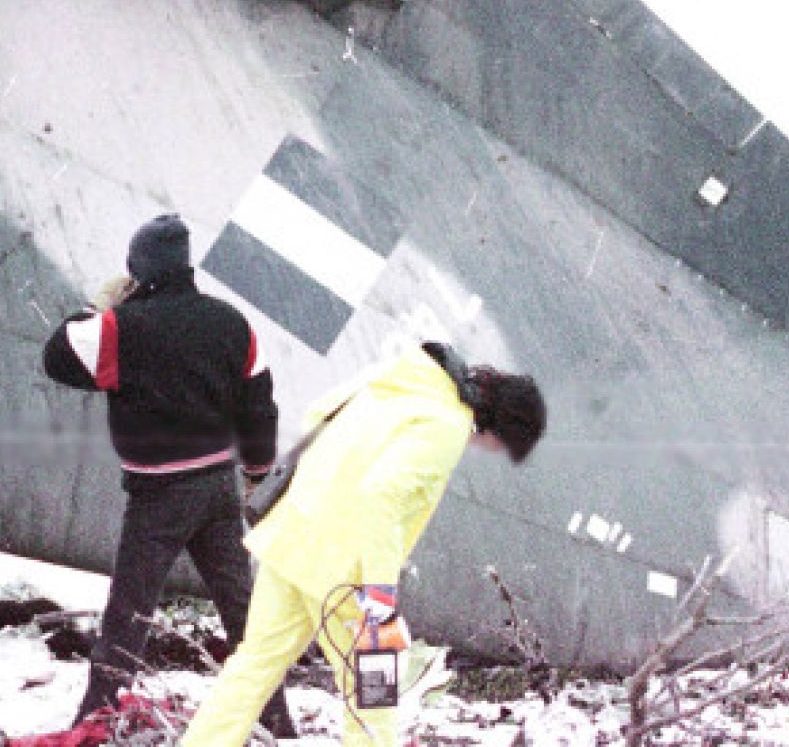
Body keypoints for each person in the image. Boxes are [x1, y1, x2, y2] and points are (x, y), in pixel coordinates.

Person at [179, 342, 547, 746]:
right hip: (344, 572)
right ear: (501, 426)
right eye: (504, 445)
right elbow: (382, 496)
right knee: (374, 697)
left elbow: (318, 413)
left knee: (253, 667)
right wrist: (380, 595)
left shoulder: (404, 377)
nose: (494, 451)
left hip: (293, 536)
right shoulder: (447, 425)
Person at [40, 214, 294, 735]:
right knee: (242, 613)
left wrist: (96, 308)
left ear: (139, 270)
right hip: (219, 489)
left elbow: (58, 356)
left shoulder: (122, 328)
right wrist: (256, 471)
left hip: (158, 495)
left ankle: (97, 721)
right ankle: (277, 722)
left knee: (129, 614)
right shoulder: (231, 322)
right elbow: (259, 404)